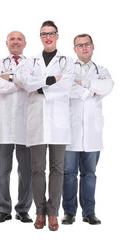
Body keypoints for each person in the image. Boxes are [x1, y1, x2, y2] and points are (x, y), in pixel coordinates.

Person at [14, 20, 74, 231]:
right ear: (40, 37)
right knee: (37, 169)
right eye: (43, 34)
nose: (47, 37)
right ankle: (39, 212)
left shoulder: (67, 61)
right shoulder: (30, 61)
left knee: (57, 169)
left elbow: (66, 85)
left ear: (57, 36)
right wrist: (50, 80)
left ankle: (53, 213)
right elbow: (25, 82)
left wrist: (39, 86)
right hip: (37, 123)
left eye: (51, 33)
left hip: (59, 124)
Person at [62, 34, 114, 225]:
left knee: (89, 174)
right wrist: (92, 90)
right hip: (70, 131)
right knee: (68, 174)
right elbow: (65, 89)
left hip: (93, 131)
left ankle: (89, 212)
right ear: (74, 49)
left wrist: (83, 84)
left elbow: (108, 86)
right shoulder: (67, 70)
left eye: (87, 45)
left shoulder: (102, 70)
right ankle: (68, 212)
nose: (84, 48)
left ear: (93, 47)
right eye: (79, 45)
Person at [0, 31, 33, 223]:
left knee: (27, 171)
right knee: (1, 171)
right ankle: (3, 209)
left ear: (25, 43)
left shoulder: (32, 64)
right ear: (7, 43)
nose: (15, 42)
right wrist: (18, 81)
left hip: (27, 126)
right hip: (2, 126)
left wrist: (9, 78)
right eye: (12, 39)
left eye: (19, 39)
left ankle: (23, 209)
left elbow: (32, 83)